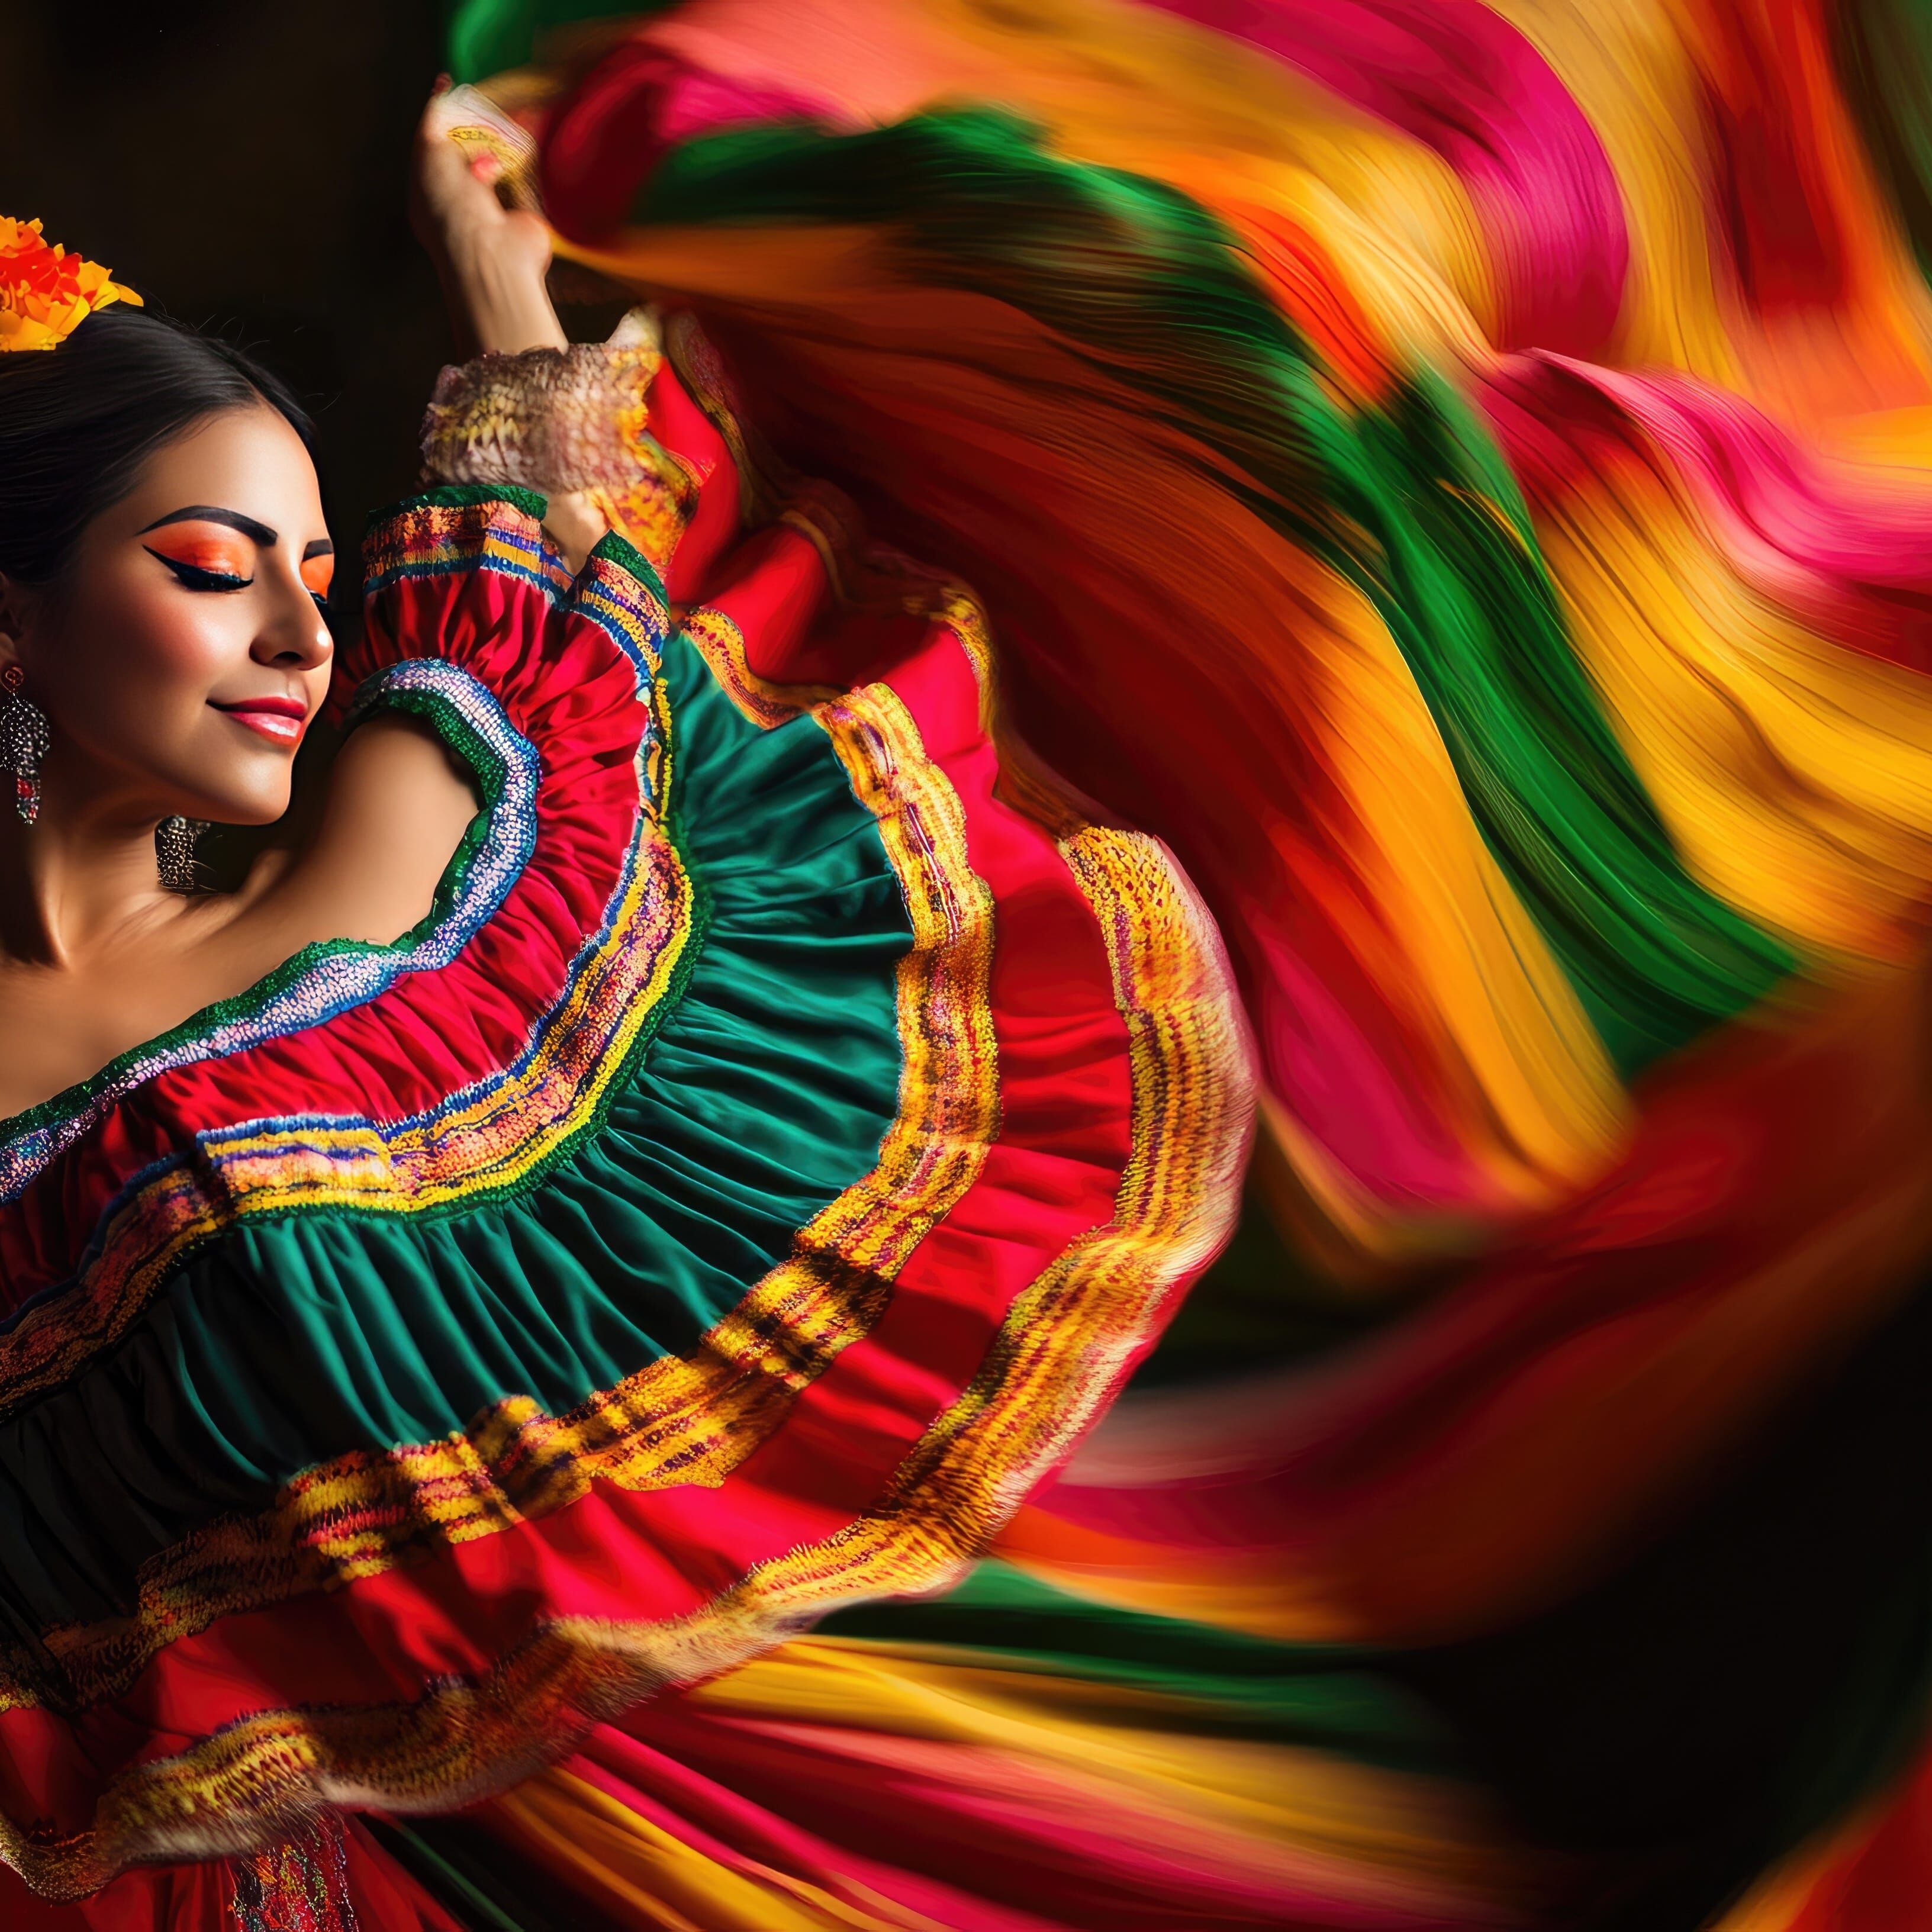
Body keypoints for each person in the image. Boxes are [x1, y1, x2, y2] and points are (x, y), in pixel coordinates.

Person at [11, 2, 1932, 1927]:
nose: (298, 635)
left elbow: (539, 583)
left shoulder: (402, 876)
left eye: (313, 573)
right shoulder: (331, 940)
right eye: (210, 569)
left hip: (778, 1831)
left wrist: (492, 253)